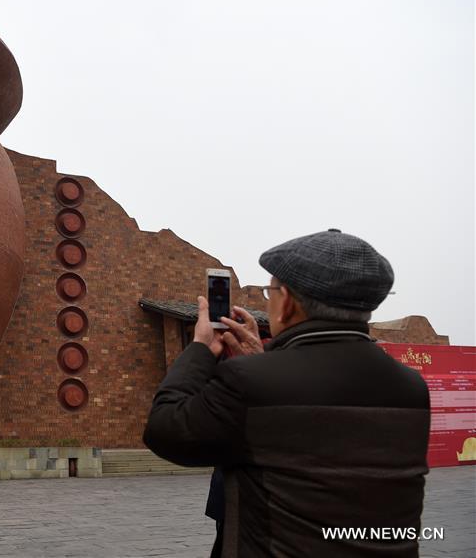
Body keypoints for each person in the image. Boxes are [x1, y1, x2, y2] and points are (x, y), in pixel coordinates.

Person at [143, 229, 430, 557]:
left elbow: (165, 428)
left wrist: (200, 349)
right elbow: (320, 440)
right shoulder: (411, 387)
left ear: (288, 304)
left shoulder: (252, 383)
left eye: (271, 291)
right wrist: (267, 364)